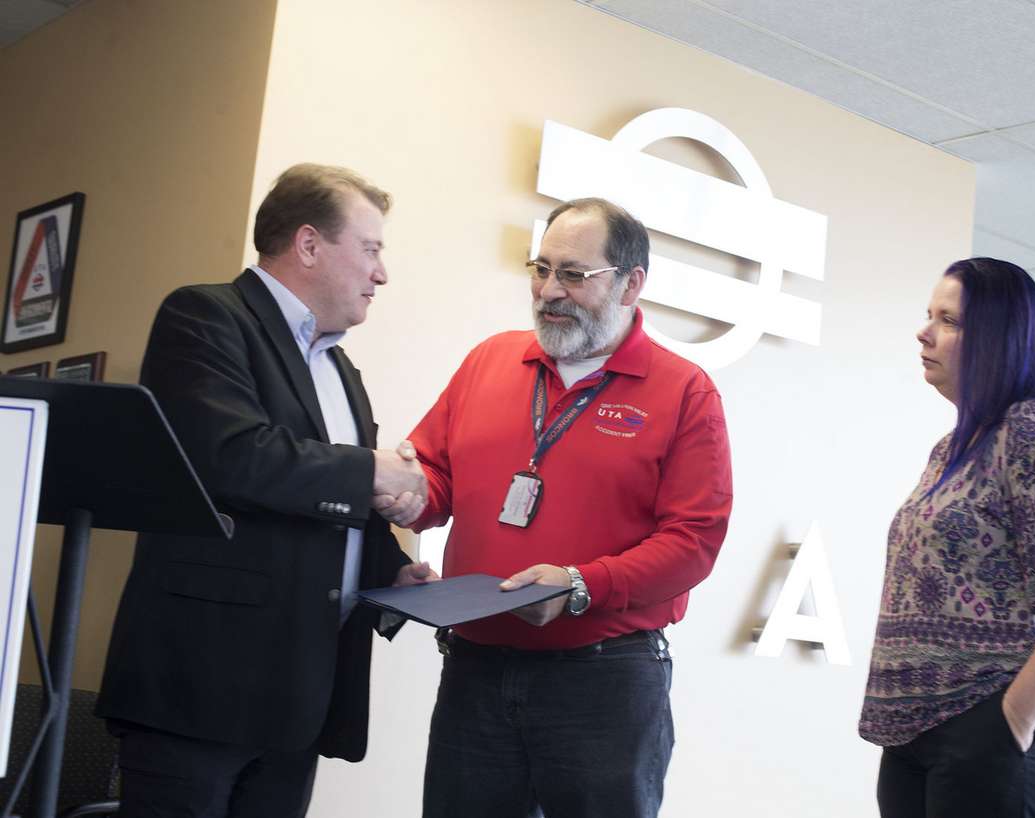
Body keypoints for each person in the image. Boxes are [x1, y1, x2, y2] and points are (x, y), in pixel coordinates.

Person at [97, 163, 434, 817]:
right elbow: (231, 456)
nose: (382, 273)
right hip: (197, 688)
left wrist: (391, 571)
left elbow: (335, 511)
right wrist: (371, 471)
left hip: (300, 700)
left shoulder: (342, 369)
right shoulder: (203, 316)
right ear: (308, 245)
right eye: (371, 249)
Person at [379, 197, 733, 818]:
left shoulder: (684, 391)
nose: (548, 291)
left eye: (573, 274)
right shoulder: (490, 359)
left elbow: (694, 542)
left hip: (603, 684)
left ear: (632, 284)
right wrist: (403, 492)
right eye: (540, 269)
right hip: (476, 673)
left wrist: (579, 586)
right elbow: (435, 477)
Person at [859, 257, 1035, 817]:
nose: (925, 331)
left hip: (993, 720)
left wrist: (1013, 720)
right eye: (929, 316)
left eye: (949, 320)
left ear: (999, 338)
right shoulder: (953, 448)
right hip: (916, 729)